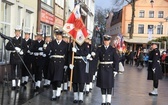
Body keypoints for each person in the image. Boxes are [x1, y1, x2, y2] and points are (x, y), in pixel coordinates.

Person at [44, 29, 68, 100]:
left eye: (59, 35)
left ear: (61, 36)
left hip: (60, 63)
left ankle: (58, 93)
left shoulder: (65, 44)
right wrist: (45, 47)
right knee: (53, 79)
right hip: (52, 63)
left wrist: (66, 64)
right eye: (57, 35)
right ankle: (54, 95)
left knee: (59, 79)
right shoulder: (52, 43)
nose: (58, 37)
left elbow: (66, 55)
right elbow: (47, 51)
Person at [96, 35, 119, 105]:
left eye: (107, 40)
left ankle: (108, 101)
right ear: (103, 41)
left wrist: (116, 70)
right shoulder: (99, 49)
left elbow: (116, 60)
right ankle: (103, 100)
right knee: (102, 84)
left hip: (110, 68)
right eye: (105, 40)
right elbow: (96, 57)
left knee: (109, 85)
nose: (106, 42)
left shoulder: (112, 49)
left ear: (110, 41)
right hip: (102, 68)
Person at [5, 26, 27, 90]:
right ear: (15, 32)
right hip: (13, 57)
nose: (17, 33)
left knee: (19, 71)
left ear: (20, 33)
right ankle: (13, 85)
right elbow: (7, 47)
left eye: (18, 32)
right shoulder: (11, 39)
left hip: (20, 57)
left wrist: (22, 52)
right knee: (13, 71)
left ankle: (18, 85)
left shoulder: (22, 40)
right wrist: (14, 49)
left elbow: (25, 48)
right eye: (16, 32)